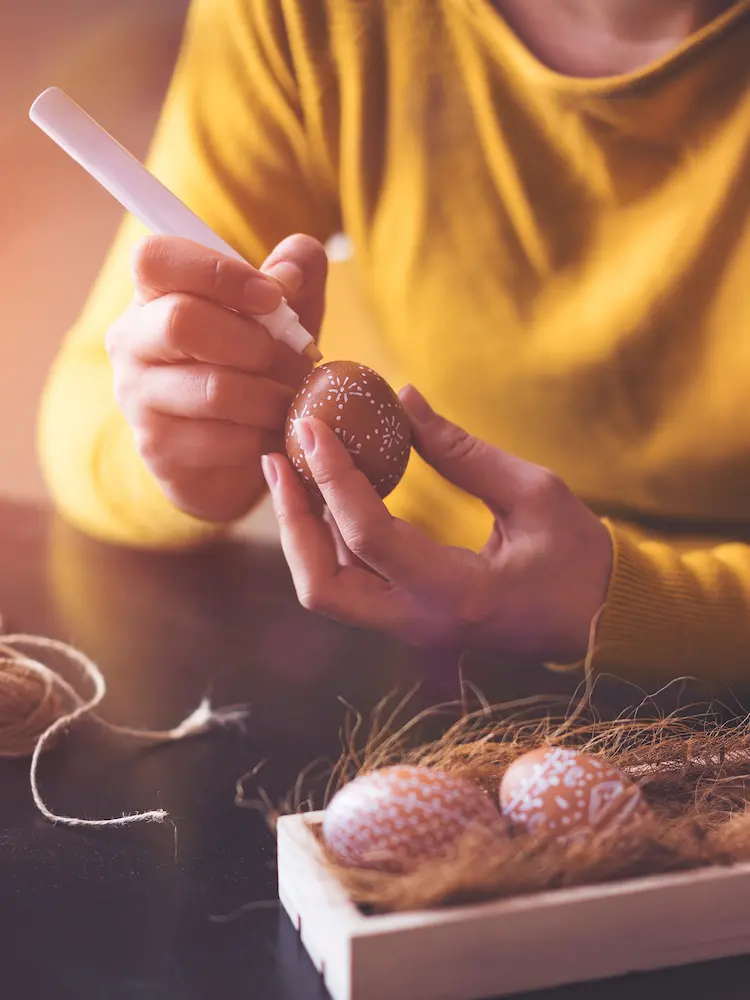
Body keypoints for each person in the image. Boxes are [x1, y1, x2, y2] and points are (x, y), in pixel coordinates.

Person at [38, 0, 750, 684]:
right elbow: (85, 417)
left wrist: (612, 603)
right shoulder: (311, 15)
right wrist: (183, 450)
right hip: (412, 643)